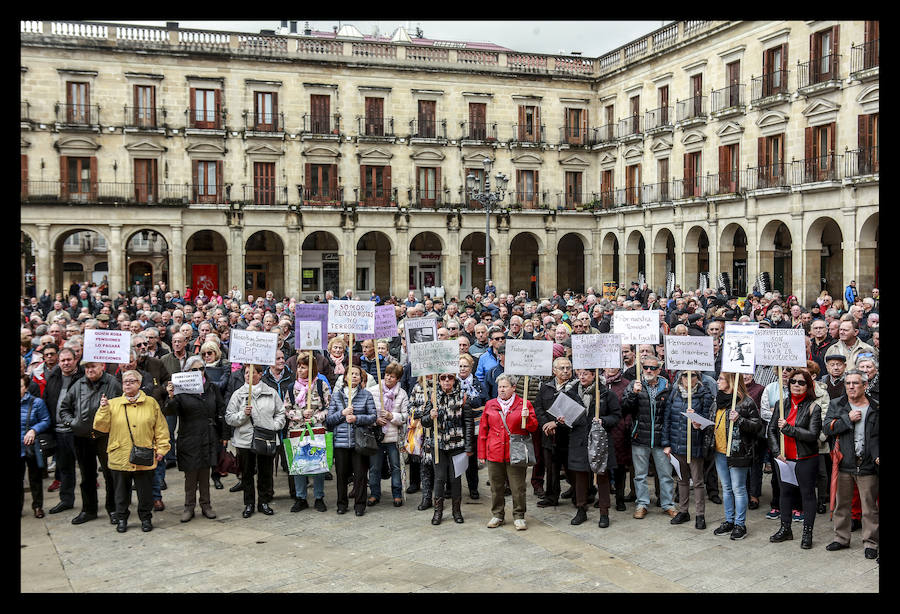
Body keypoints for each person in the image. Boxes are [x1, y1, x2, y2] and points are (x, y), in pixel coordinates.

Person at [92, 370, 171, 533]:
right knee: (121, 493)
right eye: (125, 381)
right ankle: (121, 518)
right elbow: (100, 427)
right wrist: (103, 409)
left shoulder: (151, 403)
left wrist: (162, 449)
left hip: (145, 454)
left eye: (132, 381)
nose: (127, 384)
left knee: (145, 491)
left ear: (139, 384)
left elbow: (161, 429)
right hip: (120, 455)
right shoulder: (112, 404)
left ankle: (146, 518)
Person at [58, 360, 123, 525]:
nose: (89, 370)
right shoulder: (78, 384)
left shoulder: (112, 383)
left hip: (105, 436)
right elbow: (64, 408)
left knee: (110, 475)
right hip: (82, 437)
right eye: (86, 367)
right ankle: (89, 510)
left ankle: (113, 509)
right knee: (87, 476)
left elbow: (121, 408)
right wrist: (72, 422)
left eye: (93, 366)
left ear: (102, 366)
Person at [823, 370, 879, 559]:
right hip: (844, 463)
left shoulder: (875, 407)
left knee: (869, 507)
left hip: (867, 465)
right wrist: (847, 419)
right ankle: (841, 538)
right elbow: (827, 428)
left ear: (864, 385)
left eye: (855, 383)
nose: (851, 387)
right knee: (842, 505)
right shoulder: (837, 404)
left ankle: (870, 542)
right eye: (848, 383)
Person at [163, 356, 226, 522]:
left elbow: (220, 409)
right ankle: (188, 506)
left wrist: (224, 435)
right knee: (191, 474)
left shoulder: (211, 387)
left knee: (205, 473)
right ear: (187, 372)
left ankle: (206, 505)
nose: (198, 372)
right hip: (189, 435)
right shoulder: (181, 389)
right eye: (194, 370)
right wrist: (170, 396)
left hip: (208, 435)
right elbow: (170, 411)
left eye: (201, 369)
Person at [767, 368, 822, 549]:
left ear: (808, 385)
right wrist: (776, 451)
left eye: (801, 382)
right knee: (785, 493)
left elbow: (813, 435)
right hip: (784, 458)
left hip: (805, 458)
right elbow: (771, 430)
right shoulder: (782, 404)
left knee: (807, 495)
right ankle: (785, 529)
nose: (796, 385)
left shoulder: (814, 407)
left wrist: (789, 429)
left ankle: (807, 533)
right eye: (793, 382)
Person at [225, 364, 286, 518]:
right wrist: (242, 414)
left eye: (252, 373)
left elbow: (281, 413)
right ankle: (249, 503)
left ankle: (263, 501)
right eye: (246, 373)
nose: (248, 375)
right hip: (245, 440)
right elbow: (229, 417)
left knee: (265, 472)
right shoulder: (238, 394)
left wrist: (274, 426)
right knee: (247, 473)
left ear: (259, 374)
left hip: (265, 438)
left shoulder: (271, 393)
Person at [478, 374, 537, 530]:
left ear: (513, 388)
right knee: (496, 487)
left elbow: (533, 427)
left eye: (505, 387)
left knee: (518, 487)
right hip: (494, 452)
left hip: (515, 453)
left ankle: (519, 515)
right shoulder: (490, 405)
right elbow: (483, 431)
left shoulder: (524, 404)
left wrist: (527, 418)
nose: (501, 390)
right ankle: (497, 514)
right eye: (499, 387)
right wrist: (481, 454)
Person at [621, 355, 677, 520]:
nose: (649, 371)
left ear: (659, 370)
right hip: (640, 437)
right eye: (645, 367)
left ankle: (668, 504)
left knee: (665, 475)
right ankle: (642, 503)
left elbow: (672, 414)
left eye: (653, 368)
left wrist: (669, 440)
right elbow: (625, 408)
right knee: (640, 475)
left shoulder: (668, 386)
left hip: (661, 439)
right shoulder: (635, 385)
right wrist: (633, 394)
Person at [564, 368, 621, 528]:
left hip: (600, 441)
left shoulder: (605, 394)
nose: (581, 377)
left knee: (602, 476)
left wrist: (603, 420)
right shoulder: (571, 393)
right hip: (579, 441)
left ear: (594, 375)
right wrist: (562, 419)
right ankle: (581, 509)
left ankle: (604, 512)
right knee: (580, 477)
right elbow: (567, 418)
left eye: (585, 374)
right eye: (579, 373)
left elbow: (616, 416)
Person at [710, 372, 762, 540]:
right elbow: (714, 421)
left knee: (738, 488)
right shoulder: (718, 400)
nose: (717, 382)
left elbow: (757, 426)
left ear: (731, 381)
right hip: (720, 450)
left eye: (721, 379)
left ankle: (740, 524)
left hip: (738, 452)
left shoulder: (746, 402)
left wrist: (740, 419)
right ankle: (729, 520)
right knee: (726, 488)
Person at [421, 370, 476, 525]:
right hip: (438, 445)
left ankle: (456, 511)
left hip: (457, 445)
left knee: (455, 478)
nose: (446, 381)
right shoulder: (433, 397)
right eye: (443, 378)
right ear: (439, 380)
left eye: (450, 378)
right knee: (439, 478)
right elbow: (424, 423)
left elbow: (468, 423)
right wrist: (429, 416)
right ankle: (438, 512)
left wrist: (468, 447)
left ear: (454, 380)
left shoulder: (462, 397)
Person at [662, 370, 714, 527]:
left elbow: (707, 422)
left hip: (694, 444)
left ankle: (700, 515)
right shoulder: (674, 393)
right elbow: (668, 419)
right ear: (680, 377)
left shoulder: (704, 394)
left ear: (697, 378)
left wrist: (696, 420)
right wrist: (666, 444)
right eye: (685, 375)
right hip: (677, 445)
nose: (688, 378)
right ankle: (683, 511)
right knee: (682, 480)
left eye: (692, 375)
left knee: (697, 481)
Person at [325, 365, 377, 516]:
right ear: (345, 377)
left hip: (359, 442)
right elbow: (329, 420)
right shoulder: (337, 396)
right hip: (341, 442)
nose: (354, 376)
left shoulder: (366, 395)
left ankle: (360, 504)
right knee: (341, 475)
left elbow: (372, 417)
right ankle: (341, 503)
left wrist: (356, 418)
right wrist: (342, 413)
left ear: (361, 378)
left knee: (360, 475)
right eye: (351, 373)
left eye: (357, 374)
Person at [288, 351, 331, 513]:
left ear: (311, 369)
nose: (300, 370)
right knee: (299, 465)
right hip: (297, 430)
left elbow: (328, 407)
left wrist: (314, 418)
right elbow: (287, 408)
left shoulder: (321, 385)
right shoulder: (293, 387)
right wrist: (300, 416)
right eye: (298, 367)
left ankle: (319, 496)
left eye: (304, 367)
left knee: (317, 464)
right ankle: (301, 497)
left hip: (316, 429)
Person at [533, 356, 577, 508]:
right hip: (549, 436)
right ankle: (551, 496)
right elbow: (538, 407)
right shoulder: (546, 387)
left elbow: (575, 411)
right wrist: (546, 424)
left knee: (572, 467)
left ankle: (580, 494)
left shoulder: (575, 387)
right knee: (551, 468)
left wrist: (556, 424)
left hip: (569, 436)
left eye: (568, 368)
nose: (565, 371)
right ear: (554, 370)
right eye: (562, 368)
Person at [368, 362, 409, 508]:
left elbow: (405, 417)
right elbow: (368, 412)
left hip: (393, 437)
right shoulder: (373, 391)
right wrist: (375, 420)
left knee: (396, 466)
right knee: (374, 467)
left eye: (392, 377)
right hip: (377, 435)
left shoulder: (402, 394)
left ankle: (397, 494)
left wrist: (392, 416)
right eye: (386, 375)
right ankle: (374, 493)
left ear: (397, 379)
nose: (388, 378)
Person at [21, 375, 51, 518]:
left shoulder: (36, 402)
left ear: (26, 387)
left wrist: (34, 430)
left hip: (31, 446)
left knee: (35, 478)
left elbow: (46, 420)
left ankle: (38, 506)